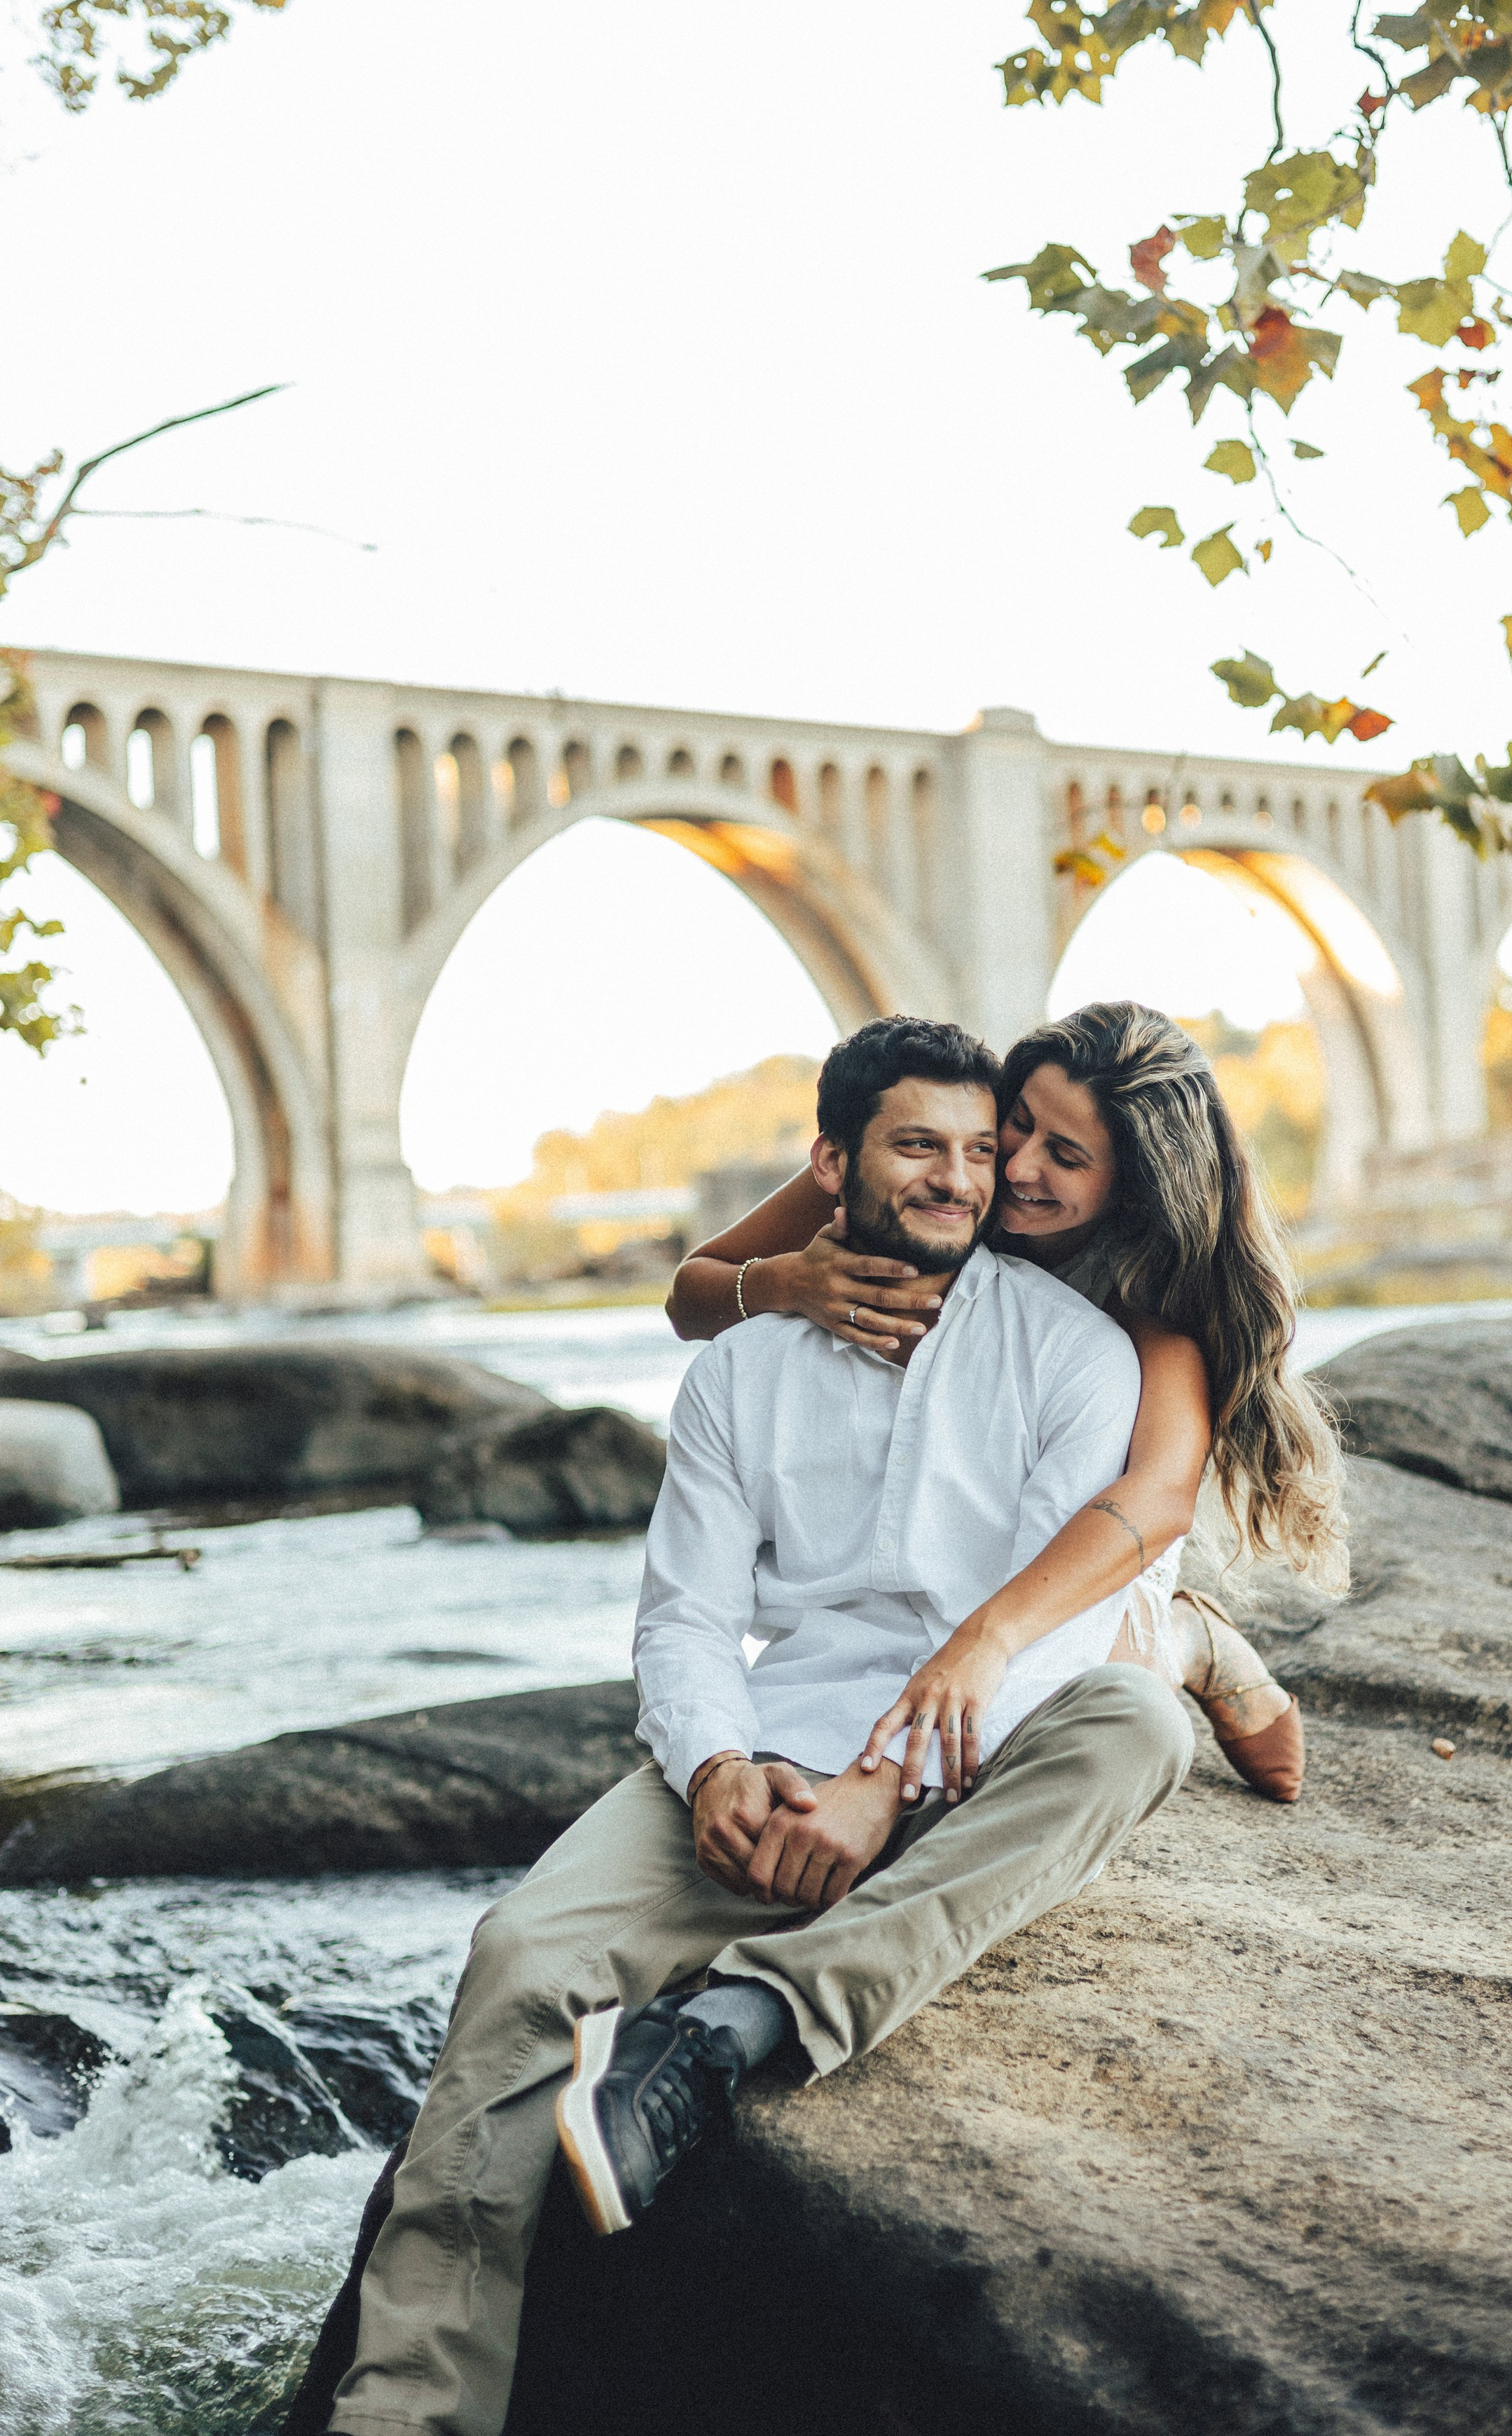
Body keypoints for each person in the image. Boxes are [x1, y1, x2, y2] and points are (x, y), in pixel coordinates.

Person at [321, 1017, 1200, 2436]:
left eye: (986, 1154)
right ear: (831, 1164)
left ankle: (747, 2020)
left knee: (1137, 1723)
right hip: (772, 1731)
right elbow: (682, 1618)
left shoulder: (1081, 1356)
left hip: (974, 1743)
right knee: (517, 1957)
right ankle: (404, 2412)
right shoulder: (742, 1365)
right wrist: (718, 1762)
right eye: (923, 1147)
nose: (966, 1181)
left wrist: (875, 1790)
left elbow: (1055, 1621)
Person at [668, 999, 1347, 1808]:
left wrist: (985, 1642)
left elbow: (1158, 1497)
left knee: (1085, 1700)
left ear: (1129, 1188)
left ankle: (1181, 1636)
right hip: (963, 1502)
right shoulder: (938, 1164)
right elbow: (689, 1302)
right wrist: (789, 1282)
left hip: (1087, 1518)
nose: (1016, 1166)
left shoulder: (1152, 1299)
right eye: (1018, 1123)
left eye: (1064, 1155)